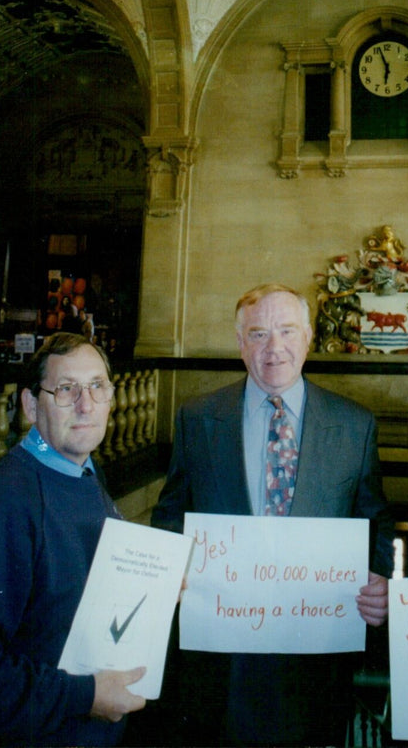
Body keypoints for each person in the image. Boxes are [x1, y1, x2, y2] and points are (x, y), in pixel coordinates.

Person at [151, 283, 395, 747]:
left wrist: (379, 576)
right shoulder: (197, 417)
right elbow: (170, 513)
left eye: (286, 331)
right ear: (240, 343)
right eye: (258, 333)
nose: (274, 347)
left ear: (307, 337)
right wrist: (169, 566)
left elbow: (376, 519)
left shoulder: (354, 424)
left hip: (315, 648)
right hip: (223, 655)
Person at [0, 333, 147, 747]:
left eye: (97, 387)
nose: (86, 404)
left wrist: (155, 587)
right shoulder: (3, 500)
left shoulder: (87, 473)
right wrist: (86, 696)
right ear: (29, 404)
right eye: (66, 390)